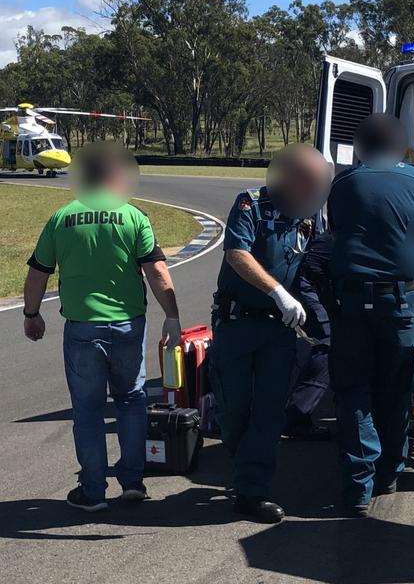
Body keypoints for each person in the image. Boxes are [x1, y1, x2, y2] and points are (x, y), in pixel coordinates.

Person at [22, 143, 182, 512]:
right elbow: (156, 272)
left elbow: (38, 273)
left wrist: (32, 314)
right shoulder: (133, 217)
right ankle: (133, 481)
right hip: (128, 325)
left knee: (88, 410)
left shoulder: (61, 219)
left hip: (82, 329)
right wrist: (171, 315)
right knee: (131, 400)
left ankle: (93, 490)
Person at [209, 144, 332, 523]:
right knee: (232, 409)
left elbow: (314, 264)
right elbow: (236, 253)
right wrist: (277, 292)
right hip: (237, 323)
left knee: (269, 409)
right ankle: (245, 461)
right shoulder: (250, 205)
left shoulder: (309, 218)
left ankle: (251, 492)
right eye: (309, 183)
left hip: (279, 330)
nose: (315, 192)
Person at [328, 114, 414, 517]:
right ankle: (389, 471)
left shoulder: (342, 184)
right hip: (401, 302)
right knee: (396, 388)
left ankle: (358, 486)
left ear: (360, 147)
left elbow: (336, 234)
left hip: (353, 303)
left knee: (355, 391)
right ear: (400, 146)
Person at [283, 222, 334, 441]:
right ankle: (297, 415)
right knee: (327, 342)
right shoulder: (347, 236)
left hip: (313, 280)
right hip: (307, 284)